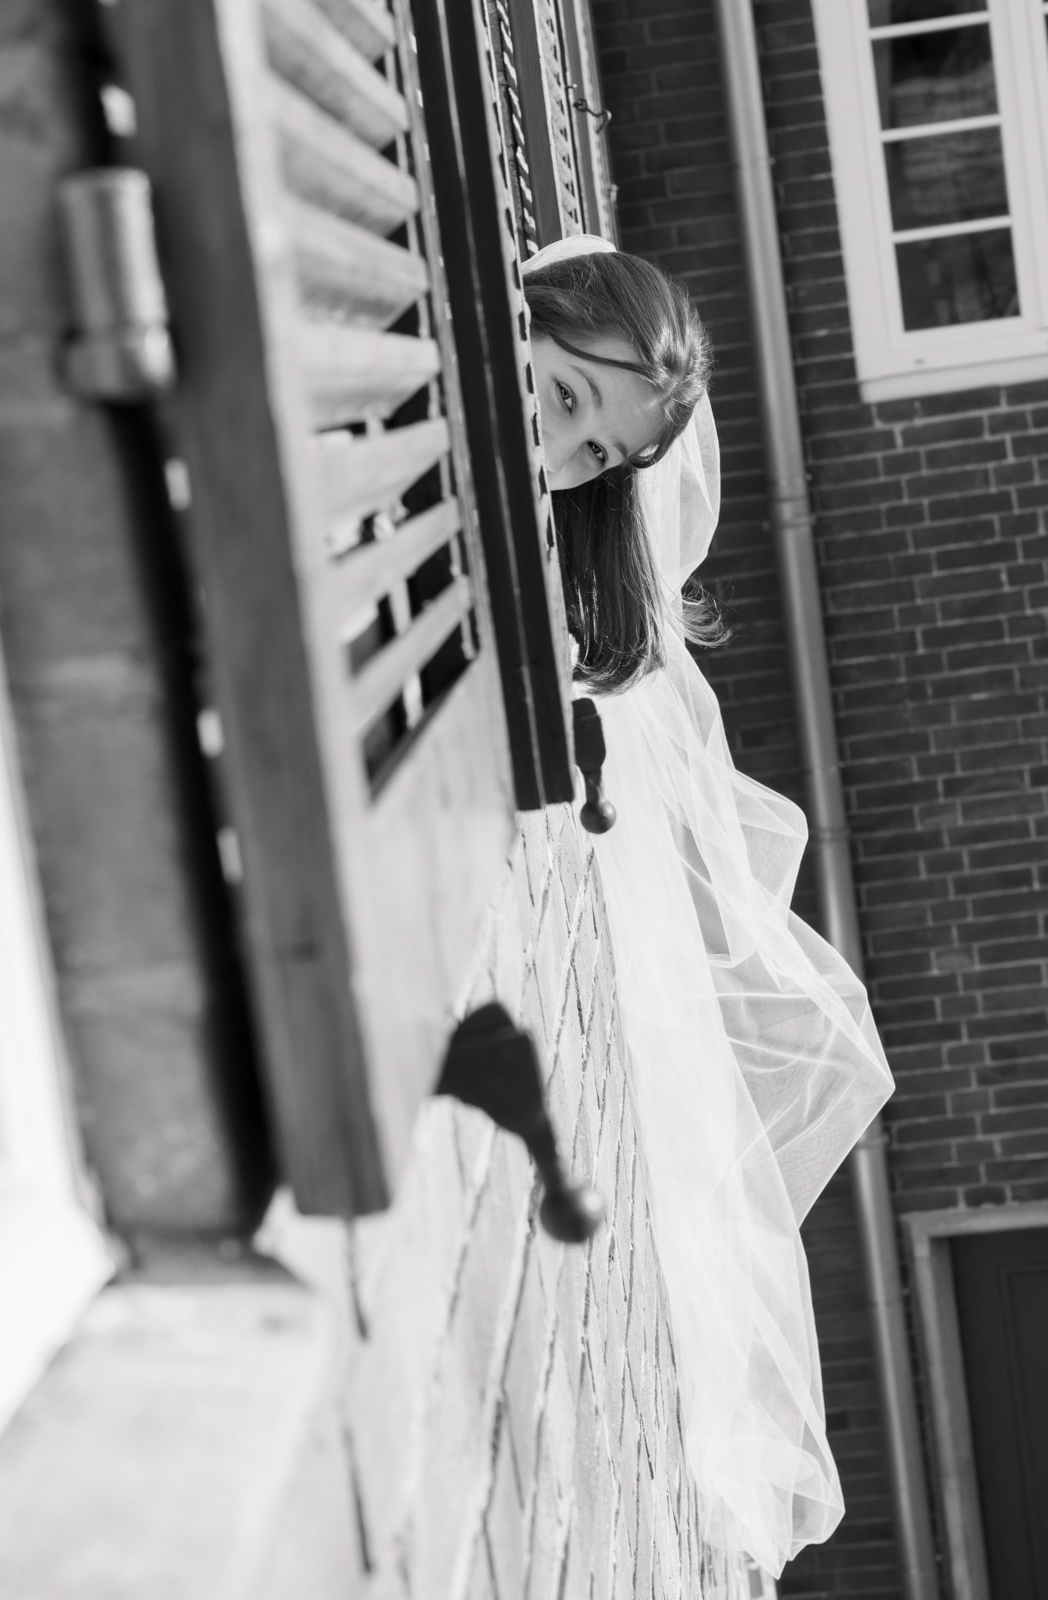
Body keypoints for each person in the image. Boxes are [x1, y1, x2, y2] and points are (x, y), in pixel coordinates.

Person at [522, 236, 895, 1581]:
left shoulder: (556, 578)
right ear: (532, 309)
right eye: (564, 402)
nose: (562, 462)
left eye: (595, 458)